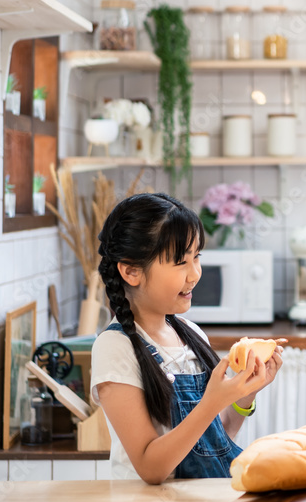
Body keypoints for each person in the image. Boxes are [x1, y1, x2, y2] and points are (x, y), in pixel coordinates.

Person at [91, 193, 283, 483]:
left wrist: (244, 395)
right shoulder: (115, 347)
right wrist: (211, 402)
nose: (194, 274)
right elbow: (150, 467)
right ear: (131, 271)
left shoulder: (191, 333)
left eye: (197, 257)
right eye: (181, 262)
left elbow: (211, 442)